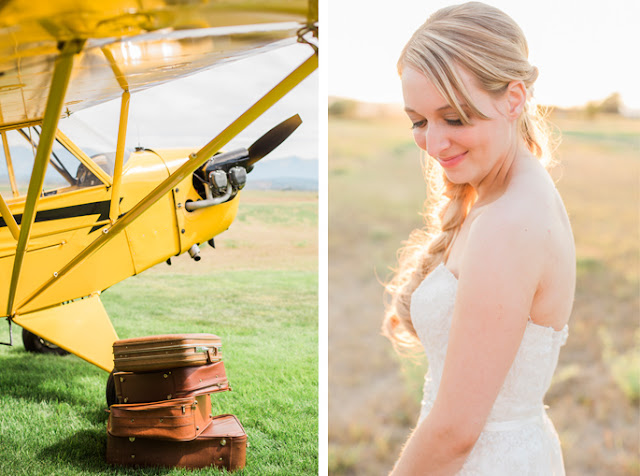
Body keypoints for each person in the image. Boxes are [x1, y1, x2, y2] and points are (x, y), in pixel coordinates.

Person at [382, 2, 575, 474]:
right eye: (419, 121)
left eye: (455, 117)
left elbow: (455, 433)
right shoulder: (501, 195)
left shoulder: (509, 222)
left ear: (513, 98)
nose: (433, 144)